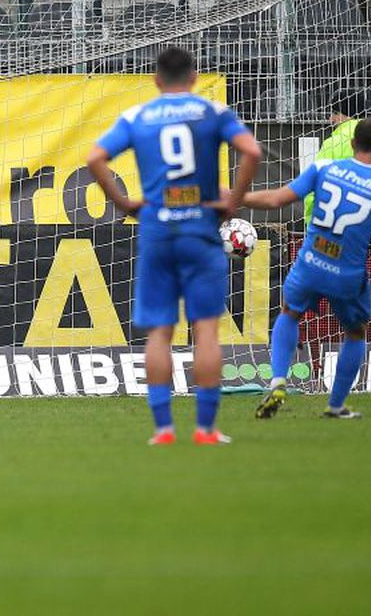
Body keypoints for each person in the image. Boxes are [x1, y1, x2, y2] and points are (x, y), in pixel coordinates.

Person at [87, 46, 262, 445]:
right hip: (200, 229)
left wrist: (124, 203)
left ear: (155, 79)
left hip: (157, 230)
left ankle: (163, 429)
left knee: (159, 334)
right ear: (195, 77)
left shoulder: (137, 117)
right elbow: (251, 151)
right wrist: (233, 201)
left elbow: (95, 159)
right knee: (206, 331)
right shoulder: (213, 112)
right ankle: (205, 429)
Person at [247, 117, 371, 420]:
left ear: (352, 143)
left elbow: (276, 199)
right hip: (347, 272)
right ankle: (336, 405)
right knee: (355, 333)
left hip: (311, 261)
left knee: (289, 312)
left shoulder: (323, 169)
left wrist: (237, 197)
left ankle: (277, 381)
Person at [304, 91, 371, 227]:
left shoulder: (333, 144)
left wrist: (313, 224)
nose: (331, 119)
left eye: (335, 113)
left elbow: (315, 189)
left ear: (346, 114)